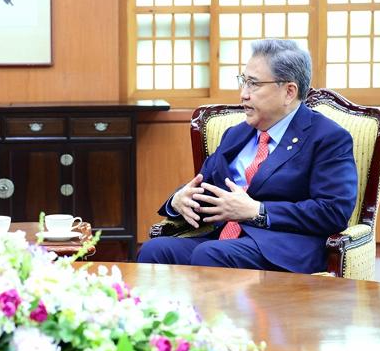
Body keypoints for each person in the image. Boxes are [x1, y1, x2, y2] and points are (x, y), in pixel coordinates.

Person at [137, 39, 357, 274]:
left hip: (283, 248)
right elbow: (206, 186)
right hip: (226, 240)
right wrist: (179, 200)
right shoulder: (236, 134)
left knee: (209, 254)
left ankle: (211, 313)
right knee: (154, 250)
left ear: (289, 92)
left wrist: (258, 211)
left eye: (253, 84)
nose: (243, 94)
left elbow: (333, 211)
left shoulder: (327, 137)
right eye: (243, 82)